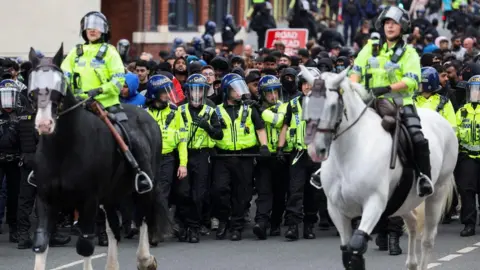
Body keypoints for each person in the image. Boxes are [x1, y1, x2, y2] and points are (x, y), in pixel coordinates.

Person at [61, 11, 152, 194]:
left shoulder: (110, 52)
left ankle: (139, 173)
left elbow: (119, 80)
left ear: (103, 31)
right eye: (89, 26)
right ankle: (41, 171)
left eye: (97, 27)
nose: (92, 30)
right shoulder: (75, 52)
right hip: (78, 105)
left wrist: (100, 90)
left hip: (105, 105)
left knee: (129, 135)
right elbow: (64, 76)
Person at [350, 6, 433, 198]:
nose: (389, 26)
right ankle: (325, 172)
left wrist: (387, 88)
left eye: (394, 23)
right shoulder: (371, 47)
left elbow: (412, 80)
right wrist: (355, 89)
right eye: (387, 22)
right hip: (367, 101)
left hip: (400, 104)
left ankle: (424, 177)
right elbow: (355, 71)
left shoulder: (409, 52)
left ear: (402, 26)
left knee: (418, 138)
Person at [212, 73, 269, 241]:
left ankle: (236, 226)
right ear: (226, 91)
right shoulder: (217, 110)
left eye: (240, 89)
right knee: (219, 190)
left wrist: (264, 145)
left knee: (242, 193)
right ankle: (224, 220)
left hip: (245, 156)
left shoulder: (249, 108)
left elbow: (260, 129)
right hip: (223, 157)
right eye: (235, 90)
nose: (239, 93)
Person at [175, 74, 223, 243]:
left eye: (200, 90)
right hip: (183, 153)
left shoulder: (211, 110)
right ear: (187, 92)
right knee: (182, 192)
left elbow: (219, 134)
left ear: (204, 92)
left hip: (202, 155)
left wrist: (208, 126)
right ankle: (184, 224)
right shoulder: (179, 110)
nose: (196, 94)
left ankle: (194, 228)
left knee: (199, 193)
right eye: (193, 90)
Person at [145, 75, 188, 241]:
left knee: (162, 193)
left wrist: (182, 164)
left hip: (167, 159)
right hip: (148, 159)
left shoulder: (175, 113)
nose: (168, 95)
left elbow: (182, 140)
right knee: (149, 193)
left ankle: (158, 229)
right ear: (155, 94)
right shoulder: (145, 114)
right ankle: (150, 225)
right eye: (164, 92)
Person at [252, 75, 288, 240]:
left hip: (281, 155)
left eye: (276, 92)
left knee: (280, 193)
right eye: (269, 93)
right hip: (264, 156)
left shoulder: (284, 107)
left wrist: (261, 111)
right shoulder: (257, 108)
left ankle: (275, 223)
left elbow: (278, 121)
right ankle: (261, 222)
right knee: (264, 190)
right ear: (262, 94)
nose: (274, 96)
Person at [455, 75, 480, 237]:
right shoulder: (462, 111)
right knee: (466, 191)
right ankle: (469, 224)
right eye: (473, 90)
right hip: (467, 156)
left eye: (478, 90)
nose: (475, 94)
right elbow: (455, 133)